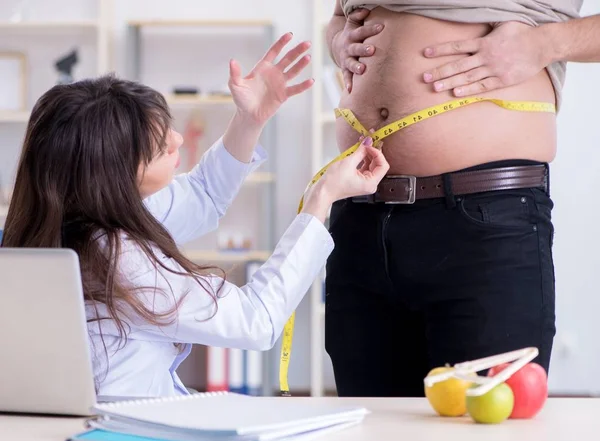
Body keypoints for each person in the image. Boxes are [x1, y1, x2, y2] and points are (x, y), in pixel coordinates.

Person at [0, 32, 390, 397]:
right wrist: (322, 198)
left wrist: (249, 119)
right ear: (113, 172)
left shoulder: (75, 220)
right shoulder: (120, 258)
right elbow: (256, 320)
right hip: (122, 428)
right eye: (160, 146)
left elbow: (203, 192)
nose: (179, 140)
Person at [322, 1, 597, 397]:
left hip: (485, 222)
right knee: (374, 427)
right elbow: (338, 17)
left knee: (481, 424)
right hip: (361, 215)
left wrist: (546, 43)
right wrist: (338, 40)